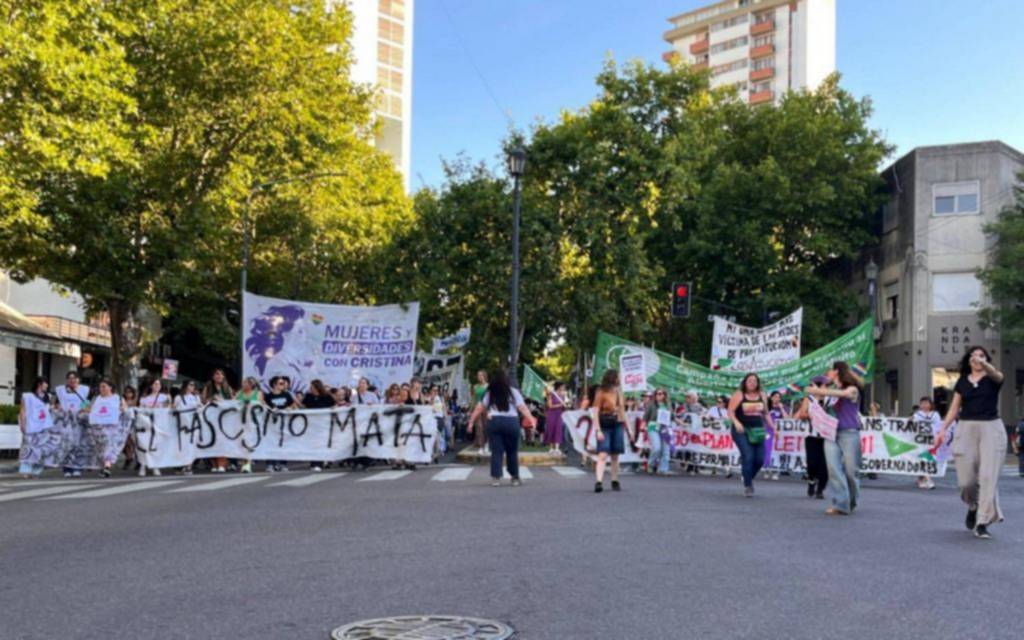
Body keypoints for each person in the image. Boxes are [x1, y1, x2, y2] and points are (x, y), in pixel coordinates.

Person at [935, 346, 1006, 539]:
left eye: (982, 356)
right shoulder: (962, 382)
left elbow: (998, 375)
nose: (978, 359)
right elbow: (954, 408)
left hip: (991, 428)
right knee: (966, 481)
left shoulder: (993, 378)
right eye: (974, 356)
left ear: (986, 359)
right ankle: (973, 506)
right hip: (966, 427)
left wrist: (985, 364)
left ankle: (983, 521)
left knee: (987, 477)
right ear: (968, 361)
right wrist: (942, 430)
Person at [806, 361, 864, 516]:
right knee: (834, 468)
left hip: (850, 432)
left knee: (852, 471)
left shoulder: (852, 388)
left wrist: (823, 391)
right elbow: (819, 404)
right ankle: (841, 504)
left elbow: (845, 395)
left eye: (829, 371)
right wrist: (817, 394)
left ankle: (852, 501)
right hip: (830, 432)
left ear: (837, 371)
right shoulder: (830, 392)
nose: (827, 374)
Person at [467, 369, 534, 487]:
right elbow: (522, 407)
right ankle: (514, 478)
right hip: (511, 422)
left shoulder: (490, 392)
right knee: (512, 451)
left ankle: (496, 478)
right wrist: (531, 419)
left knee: (496, 451)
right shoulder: (513, 391)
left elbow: (479, 408)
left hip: (495, 422)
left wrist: (471, 422)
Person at [727, 373, 775, 498]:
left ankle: (747, 476)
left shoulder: (762, 395)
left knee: (759, 459)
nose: (752, 383)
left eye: (755, 381)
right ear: (745, 382)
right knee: (748, 456)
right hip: (741, 430)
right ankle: (748, 485)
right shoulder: (739, 395)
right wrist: (736, 423)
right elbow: (730, 411)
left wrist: (773, 427)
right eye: (750, 381)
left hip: (758, 431)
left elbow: (766, 413)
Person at [591, 369, 627, 493]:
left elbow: (622, 411)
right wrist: (597, 430)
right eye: (618, 377)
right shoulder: (601, 392)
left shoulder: (619, 392)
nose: (620, 379)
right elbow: (595, 411)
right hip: (604, 423)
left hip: (618, 424)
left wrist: (629, 429)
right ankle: (599, 481)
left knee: (615, 454)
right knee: (602, 453)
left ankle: (614, 480)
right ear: (613, 378)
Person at [794, 377, 830, 500]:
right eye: (824, 386)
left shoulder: (830, 400)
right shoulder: (809, 399)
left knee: (825, 465)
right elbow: (801, 414)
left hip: (827, 436)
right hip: (812, 435)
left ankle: (820, 489)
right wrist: (813, 415)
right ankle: (811, 481)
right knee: (812, 462)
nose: (826, 389)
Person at [86, 378, 126, 478]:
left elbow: (125, 409)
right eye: (100, 387)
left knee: (109, 445)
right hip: (97, 428)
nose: (101, 389)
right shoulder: (96, 398)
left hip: (112, 428)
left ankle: (107, 467)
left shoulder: (118, 398)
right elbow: (87, 408)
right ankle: (104, 466)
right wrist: (85, 410)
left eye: (104, 386)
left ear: (110, 387)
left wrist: (122, 410)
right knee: (101, 449)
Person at [56, 371, 90, 478]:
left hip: (79, 420)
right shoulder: (60, 390)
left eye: (74, 378)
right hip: (66, 420)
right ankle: (67, 468)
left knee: (78, 444)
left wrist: (84, 409)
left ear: (78, 379)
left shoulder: (84, 390)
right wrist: (59, 408)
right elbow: (56, 403)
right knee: (67, 444)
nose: (72, 380)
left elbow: (87, 402)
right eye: (70, 378)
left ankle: (77, 467)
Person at [18, 378, 53, 478]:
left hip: (44, 426)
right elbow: (23, 410)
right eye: (45, 384)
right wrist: (22, 424)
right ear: (39, 384)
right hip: (31, 425)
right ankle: (25, 470)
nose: (47, 386)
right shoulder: (27, 396)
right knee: (28, 448)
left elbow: (49, 410)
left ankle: (36, 471)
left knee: (40, 449)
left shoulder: (48, 397)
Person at [202, 369, 234, 473]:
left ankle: (222, 464)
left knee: (223, 441)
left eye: (221, 374)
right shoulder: (208, 386)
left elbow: (233, 400)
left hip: (224, 418)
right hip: (212, 417)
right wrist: (212, 399)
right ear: (213, 376)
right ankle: (214, 463)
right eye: (217, 374)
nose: (219, 376)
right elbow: (203, 400)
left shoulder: (227, 388)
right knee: (212, 440)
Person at [264, 376, 298, 472]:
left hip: (284, 423)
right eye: (281, 383)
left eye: (283, 383)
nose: (283, 385)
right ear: (274, 385)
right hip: (272, 424)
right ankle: (270, 463)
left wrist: (289, 408)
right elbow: (264, 406)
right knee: (271, 442)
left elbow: (293, 405)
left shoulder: (286, 395)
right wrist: (270, 409)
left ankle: (283, 464)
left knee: (284, 443)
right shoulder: (268, 396)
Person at [301, 379, 335, 472]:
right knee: (313, 445)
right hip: (311, 425)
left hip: (323, 425)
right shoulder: (308, 397)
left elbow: (334, 406)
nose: (310, 388)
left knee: (321, 444)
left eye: (312, 387)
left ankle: (320, 462)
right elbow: (303, 407)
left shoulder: (327, 397)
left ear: (317, 387)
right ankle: (314, 463)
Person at [234, 376, 263, 473]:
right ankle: (244, 462)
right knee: (241, 442)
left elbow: (260, 405)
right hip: (240, 422)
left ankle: (247, 463)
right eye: (243, 383)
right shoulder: (239, 393)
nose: (243, 384)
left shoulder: (258, 393)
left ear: (251, 385)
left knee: (249, 442)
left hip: (252, 422)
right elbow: (233, 404)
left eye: (246, 383)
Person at [912, 396, 940, 490]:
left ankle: (922, 479)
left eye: (926, 403)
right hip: (920, 441)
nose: (924, 405)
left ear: (930, 404)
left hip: (931, 441)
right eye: (922, 403)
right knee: (922, 459)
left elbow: (938, 426)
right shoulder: (917, 415)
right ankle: (928, 480)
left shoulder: (935, 415)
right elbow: (914, 425)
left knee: (928, 460)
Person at [644, 388, 673, 476]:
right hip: (653, 427)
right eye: (657, 394)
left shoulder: (668, 404)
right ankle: (650, 464)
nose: (658, 395)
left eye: (661, 394)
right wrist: (644, 427)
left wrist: (682, 423)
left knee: (666, 450)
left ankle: (663, 469)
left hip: (665, 428)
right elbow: (645, 417)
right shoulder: (651, 404)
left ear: (664, 395)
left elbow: (672, 416)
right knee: (657, 448)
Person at [544, 381, 567, 456]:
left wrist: (565, 406)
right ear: (559, 386)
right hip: (551, 414)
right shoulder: (551, 394)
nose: (563, 388)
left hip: (559, 415)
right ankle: (551, 448)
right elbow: (550, 406)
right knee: (551, 429)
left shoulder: (563, 396)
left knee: (558, 430)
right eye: (562, 386)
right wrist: (560, 404)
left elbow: (564, 407)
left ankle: (557, 448)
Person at [471, 370, 489, 455]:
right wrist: (471, 410)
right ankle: (481, 446)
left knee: (486, 427)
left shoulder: (488, 386)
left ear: (484, 376)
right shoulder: (475, 387)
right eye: (478, 375)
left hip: (486, 408)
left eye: (481, 375)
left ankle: (486, 444)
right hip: (477, 408)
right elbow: (473, 399)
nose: (479, 377)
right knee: (479, 427)